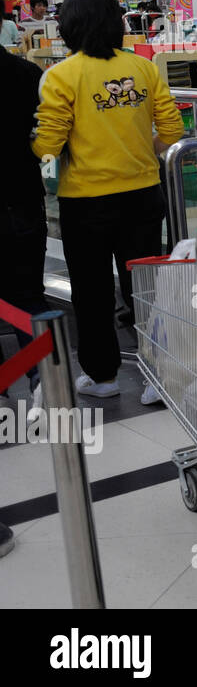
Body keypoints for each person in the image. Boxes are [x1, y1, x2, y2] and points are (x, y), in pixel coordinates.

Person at [30, 0, 184, 401]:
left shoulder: (60, 76)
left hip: (85, 203)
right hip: (144, 195)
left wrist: (48, 178)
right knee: (146, 287)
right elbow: (171, 132)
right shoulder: (144, 68)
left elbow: (48, 146)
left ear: (69, 26)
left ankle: (103, 377)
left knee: (92, 290)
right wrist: (139, 153)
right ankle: (160, 375)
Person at [1, 43, 48, 411]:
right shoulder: (28, 74)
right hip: (22, 197)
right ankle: (44, 380)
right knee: (28, 294)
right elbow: (43, 138)